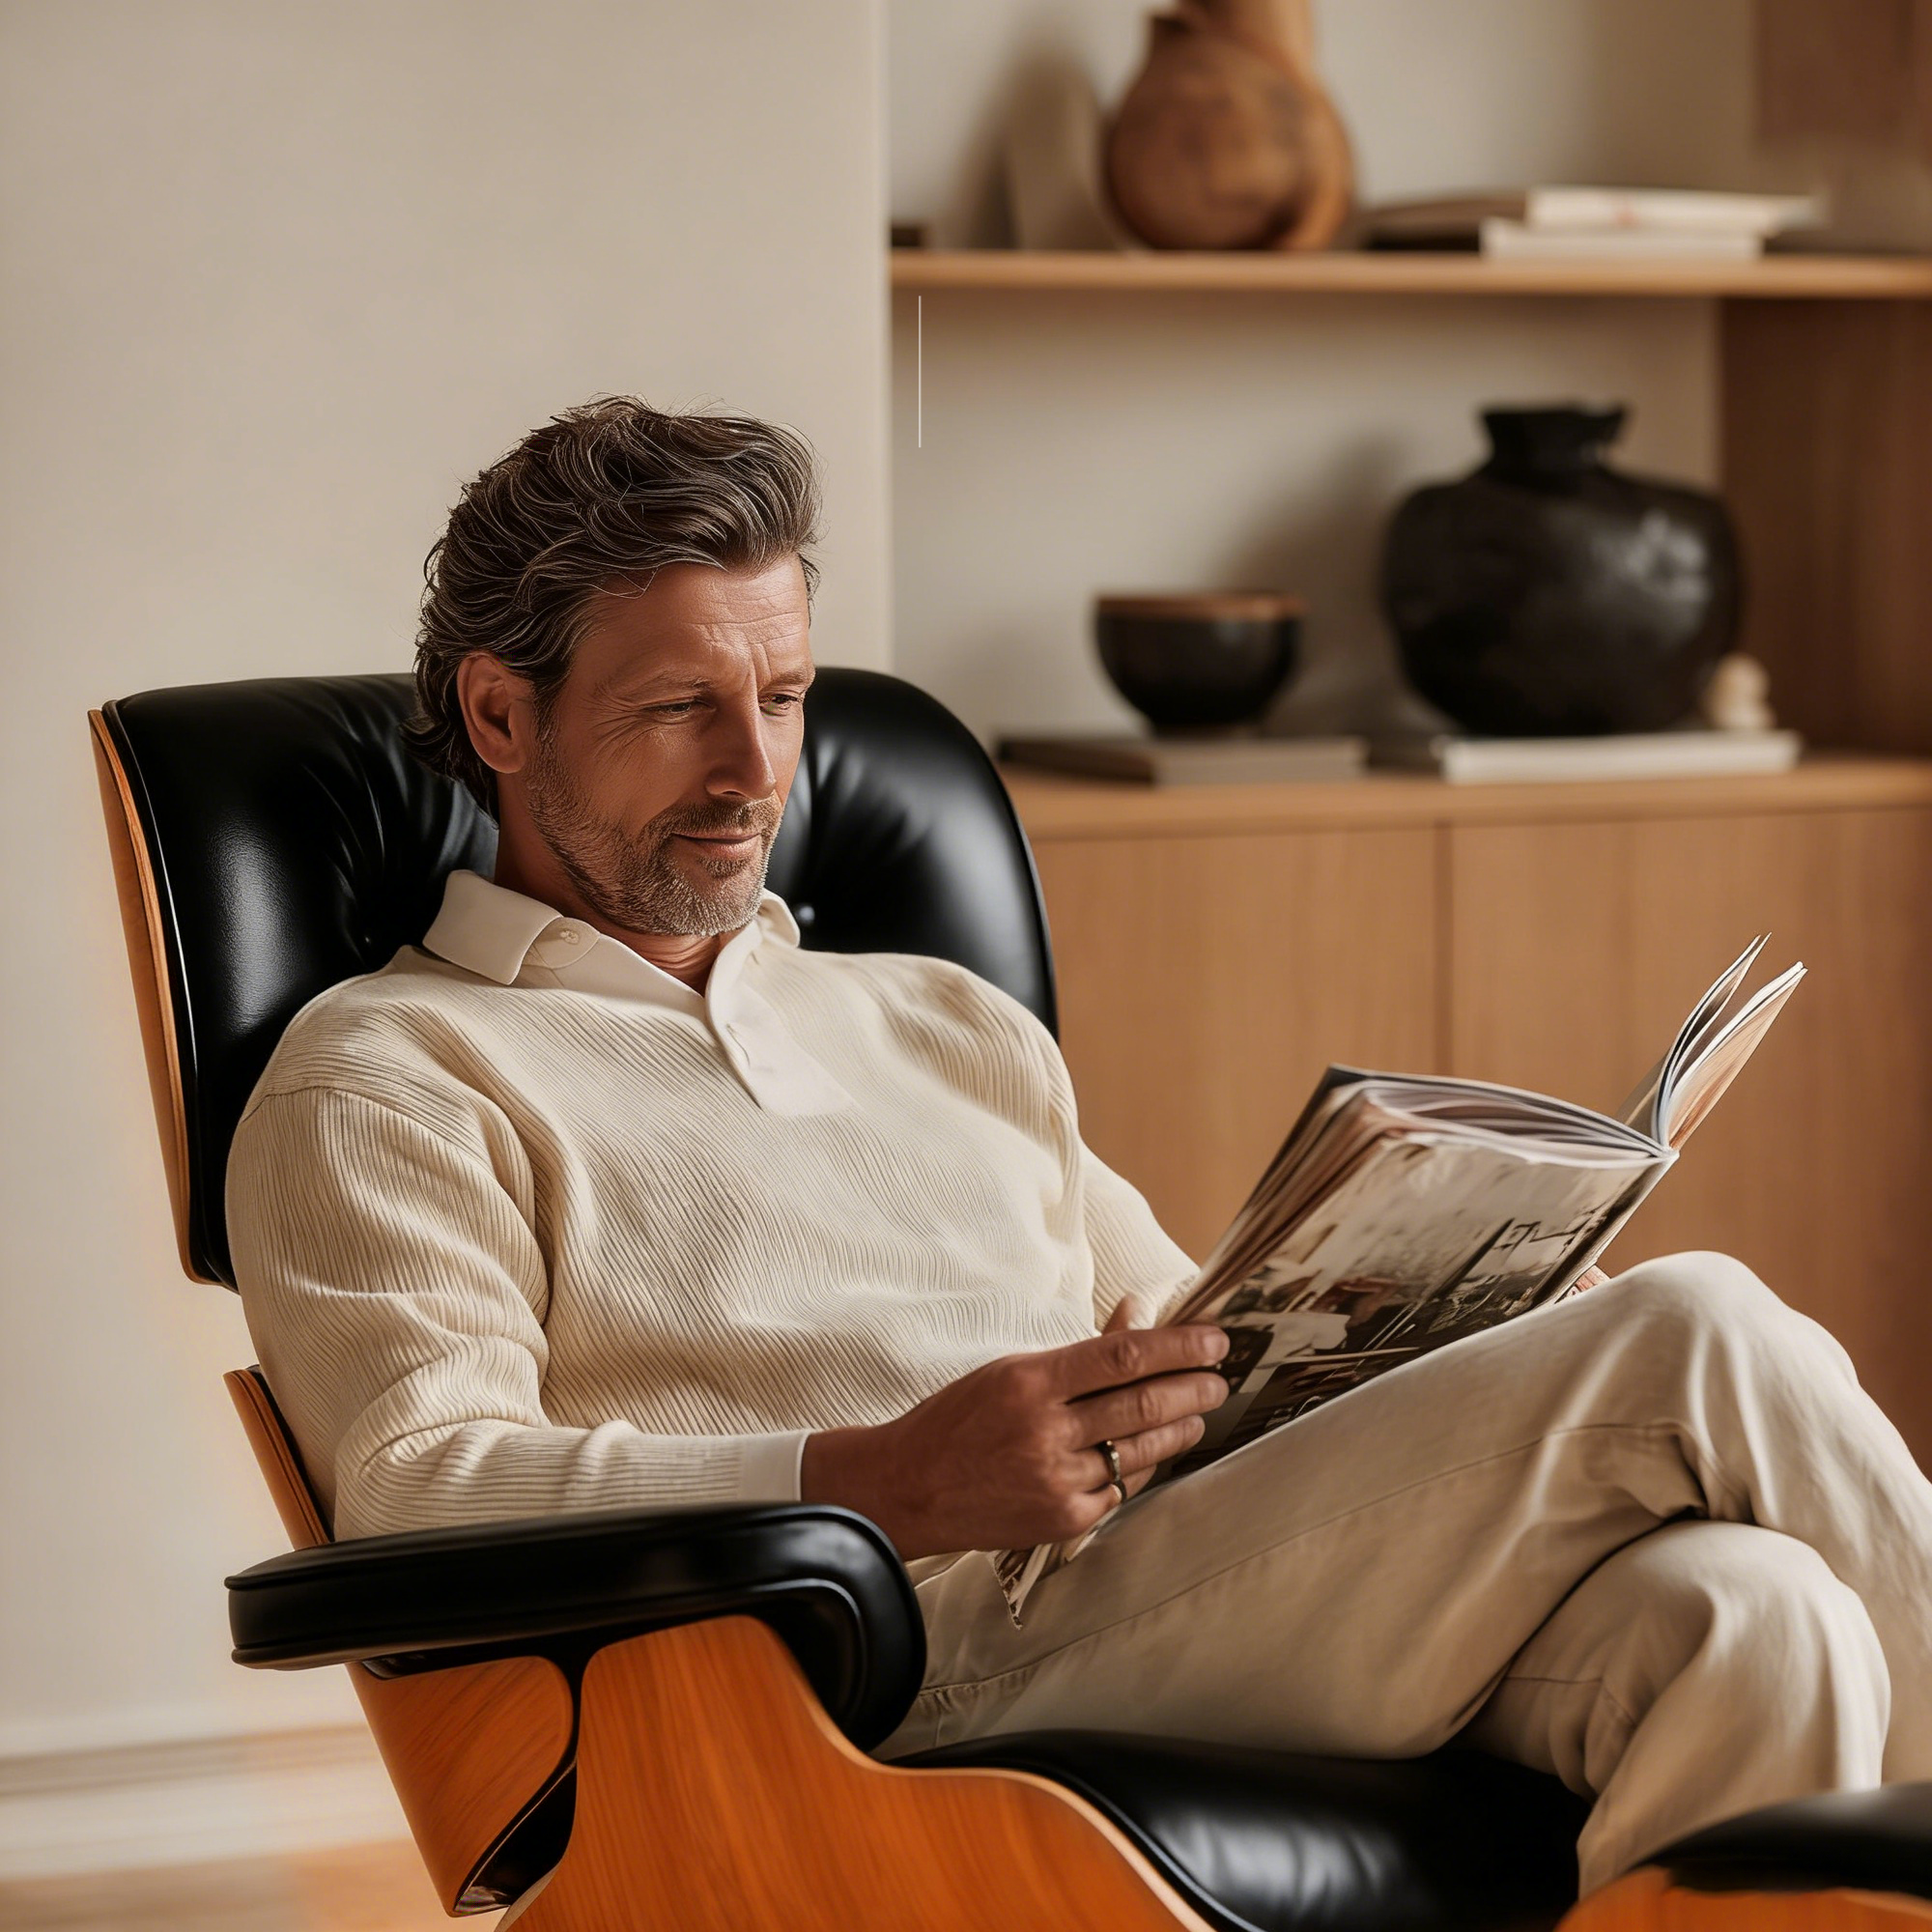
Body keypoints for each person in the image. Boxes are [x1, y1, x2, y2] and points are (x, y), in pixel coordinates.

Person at [225, 397, 1932, 1895]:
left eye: (788, 696)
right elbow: (416, 1490)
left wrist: (1474, 1303)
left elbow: (1191, 1342)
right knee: (1699, 1328)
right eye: (681, 708)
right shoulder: (392, 1072)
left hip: (1152, 1585)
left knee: (1756, 1615)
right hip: (852, 1669)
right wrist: (883, 1480)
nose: (758, 769)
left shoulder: (944, 1022)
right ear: (502, 717)